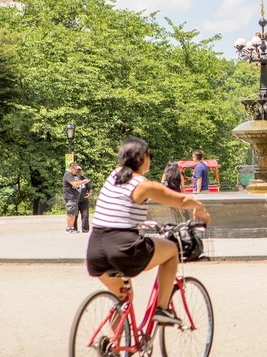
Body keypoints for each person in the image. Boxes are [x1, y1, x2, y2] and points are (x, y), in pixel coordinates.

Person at [86, 137, 212, 325]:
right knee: (171, 251)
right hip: (123, 248)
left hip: (95, 250)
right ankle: (162, 308)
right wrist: (200, 208)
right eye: (149, 155)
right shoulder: (143, 184)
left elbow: (119, 212)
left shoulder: (113, 176)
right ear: (143, 157)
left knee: (123, 297)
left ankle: (114, 347)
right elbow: (181, 201)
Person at [63, 162, 89, 234]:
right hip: (70, 197)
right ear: (71, 168)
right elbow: (74, 183)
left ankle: (72, 227)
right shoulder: (68, 174)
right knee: (70, 213)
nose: (76, 171)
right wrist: (83, 182)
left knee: (74, 213)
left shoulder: (72, 175)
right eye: (75, 169)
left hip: (74, 197)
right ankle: (68, 228)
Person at [73, 167, 93, 233]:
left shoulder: (84, 179)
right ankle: (74, 229)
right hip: (75, 200)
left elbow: (89, 188)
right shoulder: (71, 178)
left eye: (79, 170)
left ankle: (85, 230)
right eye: (77, 170)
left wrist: (90, 193)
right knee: (74, 216)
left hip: (84, 200)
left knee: (85, 215)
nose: (78, 172)